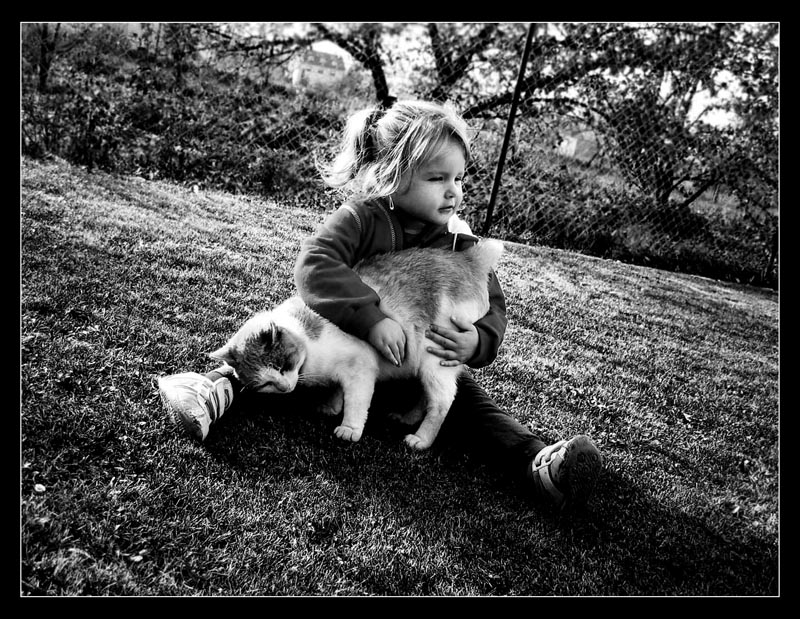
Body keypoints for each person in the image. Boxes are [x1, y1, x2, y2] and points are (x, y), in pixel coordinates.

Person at [158, 99, 602, 510]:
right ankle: (214, 387)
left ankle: (536, 459)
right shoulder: (361, 217)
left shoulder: (457, 239)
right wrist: (371, 319)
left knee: (467, 401)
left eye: (459, 179)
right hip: (345, 349)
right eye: (437, 179)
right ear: (394, 173)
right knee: (275, 360)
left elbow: (493, 306)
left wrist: (478, 341)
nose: (453, 192)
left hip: (419, 360)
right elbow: (314, 266)